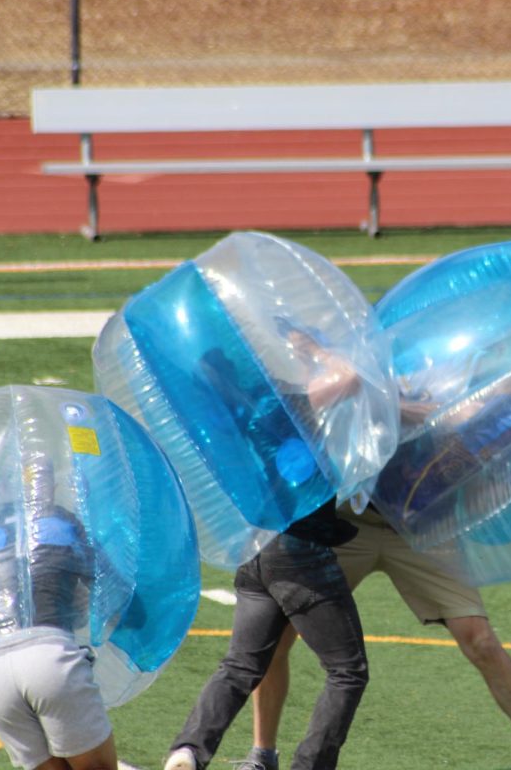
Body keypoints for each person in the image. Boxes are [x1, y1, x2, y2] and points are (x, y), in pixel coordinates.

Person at [241, 358, 511, 770]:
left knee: (480, 639)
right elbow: (357, 395)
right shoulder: (435, 375)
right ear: (495, 369)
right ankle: (262, 753)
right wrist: (418, 410)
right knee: (278, 634)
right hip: (353, 522)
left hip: (424, 532)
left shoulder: (510, 423)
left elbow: (473, 496)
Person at [164, 322, 370, 770]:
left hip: (256, 551)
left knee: (240, 666)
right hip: (301, 551)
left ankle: (189, 750)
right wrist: (314, 349)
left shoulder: (241, 417)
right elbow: (350, 378)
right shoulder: (277, 409)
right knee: (348, 672)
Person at [0, 456, 119, 770]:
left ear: (1, 488)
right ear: (49, 487)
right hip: (50, 658)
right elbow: (111, 590)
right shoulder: (62, 522)